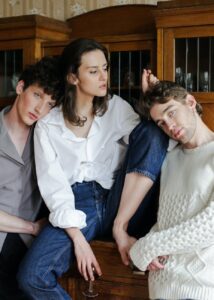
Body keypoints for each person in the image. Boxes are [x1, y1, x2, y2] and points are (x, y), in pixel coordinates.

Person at [17, 38, 140, 299]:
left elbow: (144, 149)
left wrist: (151, 98)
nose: (103, 77)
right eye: (93, 71)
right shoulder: (48, 124)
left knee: (150, 132)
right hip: (76, 202)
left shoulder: (116, 108)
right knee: (32, 276)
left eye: (105, 68)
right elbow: (54, 187)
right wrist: (78, 238)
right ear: (73, 76)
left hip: (119, 195)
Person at [129, 80, 214, 300]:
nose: (170, 126)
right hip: (160, 288)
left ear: (191, 102)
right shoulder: (169, 158)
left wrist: (143, 248)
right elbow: (166, 221)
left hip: (199, 289)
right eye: (161, 123)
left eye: (172, 113)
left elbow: (210, 224)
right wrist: (144, 248)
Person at [0, 56, 61, 300]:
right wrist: (33, 227)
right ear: (20, 87)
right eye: (37, 95)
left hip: (28, 250)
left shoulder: (46, 139)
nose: (40, 109)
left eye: (49, 104)